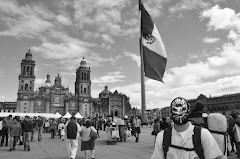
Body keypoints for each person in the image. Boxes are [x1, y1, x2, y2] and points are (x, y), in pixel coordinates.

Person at [151, 97, 225, 159]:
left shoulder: (203, 134)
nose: (179, 113)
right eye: (176, 110)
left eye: (182, 110)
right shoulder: (162, 137)